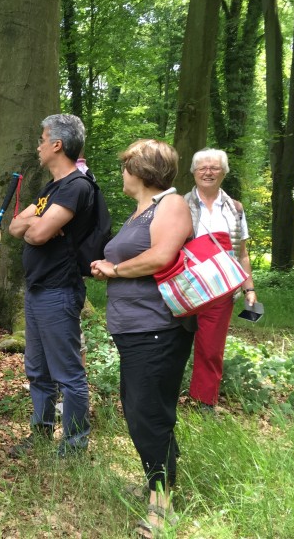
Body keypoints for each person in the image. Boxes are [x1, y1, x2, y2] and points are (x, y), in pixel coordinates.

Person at [90, 139, 195, 537]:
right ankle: (159, 485)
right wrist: (108, 264)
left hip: (158, 327)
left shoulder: (171, 204)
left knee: (147, 414)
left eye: (125, 166)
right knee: (145, 410)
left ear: (140, 170)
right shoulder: (142, 211)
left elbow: (161, 256)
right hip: (134, 327)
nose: (122, 173)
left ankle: (162, 507)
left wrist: (114, 270)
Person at [8, 114, 94, 458]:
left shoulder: (76, 186)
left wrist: (38, 224)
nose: (38, 146)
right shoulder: (51, 189)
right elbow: (16, 227)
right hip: (37, 289)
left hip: (59, 290)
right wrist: (39, 221)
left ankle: (74, 445)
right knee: (38, 370)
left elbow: (37, 234)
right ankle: (41, 434)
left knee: (68, 373)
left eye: (42, 140)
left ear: (57, 145)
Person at [184, 149, 256, 411]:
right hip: (185, 286)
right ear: (193, 172)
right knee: (171, 344)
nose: (208, 172)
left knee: (211, 348)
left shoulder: (235, 208)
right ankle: (164, 398)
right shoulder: (179, 204)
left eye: (214, 168)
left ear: (224, 173)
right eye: (202, 168)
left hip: (221, 289)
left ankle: (204, 403)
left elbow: (242, 253)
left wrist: (249, 288)